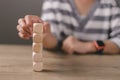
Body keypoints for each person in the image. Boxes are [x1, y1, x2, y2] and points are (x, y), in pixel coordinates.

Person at [17, 0, 120, 54]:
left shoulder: (110, 3)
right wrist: (44, 35)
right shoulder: (54, 2)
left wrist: (88, 46)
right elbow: (53, 43)